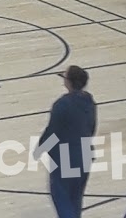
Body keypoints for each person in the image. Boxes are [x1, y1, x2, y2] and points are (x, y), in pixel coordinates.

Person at [36, 65, 97, 218]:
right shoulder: (89, 101)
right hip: (85, 153)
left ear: (68, 82)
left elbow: (52, 132)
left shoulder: (62, 104)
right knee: (75, 198)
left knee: (61, 197)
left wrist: (40, 149)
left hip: (65, 156)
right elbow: (92, 127)